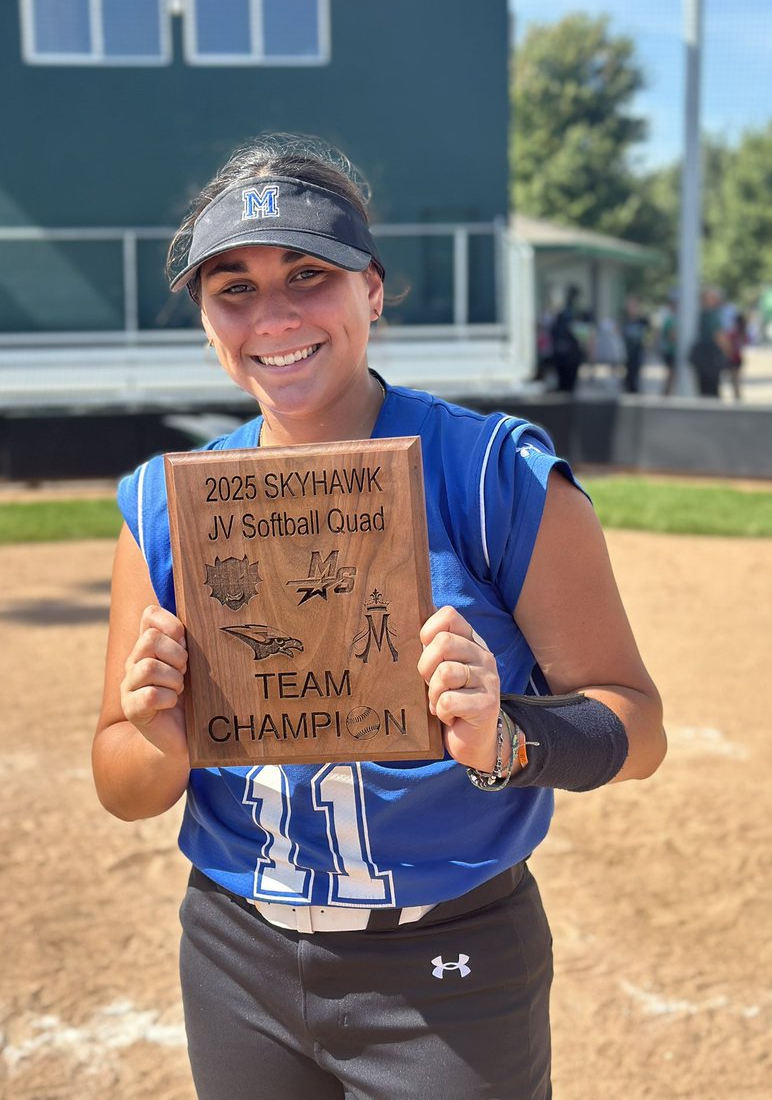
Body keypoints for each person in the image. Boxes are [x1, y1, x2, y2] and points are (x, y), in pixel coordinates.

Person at [93, 133, 666, 1100]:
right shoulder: (165, 507)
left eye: (309, 275)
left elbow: (638, 727)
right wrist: (160, 731)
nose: (271, 316)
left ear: (373, 290)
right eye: (232, 288)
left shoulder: (494, 476)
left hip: (451, 966)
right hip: (237, 952)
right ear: (203, 317)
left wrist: (505, 737)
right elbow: (123, 780)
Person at [689, 286, 731, 398]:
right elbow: (719, 336)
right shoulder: (712, 315)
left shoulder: (703, 314)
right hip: (709, 357)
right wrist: (728, 352)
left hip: (702, 356)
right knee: (711, 390)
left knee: (705, 390)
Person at [620, 294, 651, 395]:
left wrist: (648, 342)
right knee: (628, 376)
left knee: (635, 375)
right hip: (626, 351)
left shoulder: (642, 320)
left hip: (638, 351)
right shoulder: (624, 320)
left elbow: (650, 333)